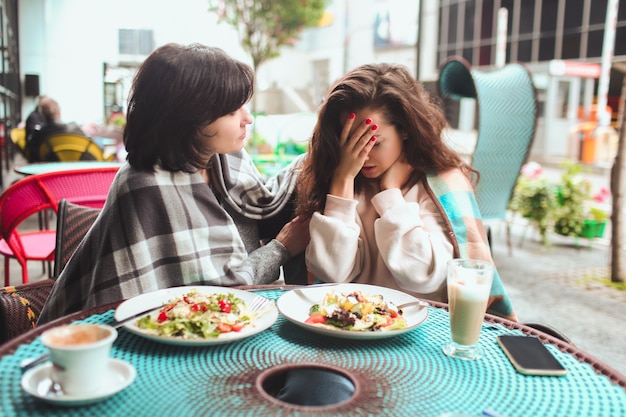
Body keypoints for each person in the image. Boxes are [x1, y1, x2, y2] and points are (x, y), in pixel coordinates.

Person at [38, 43, 309, 324]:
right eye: (231, 111)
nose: (247, 118)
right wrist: (280, 248)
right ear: (190, 117)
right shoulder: (145, 185)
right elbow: (217, 296)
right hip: (114, 337)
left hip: (212, 328)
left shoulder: (224, 163)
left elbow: (268, 203)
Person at [295, 63, 517, 320]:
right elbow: (332, 273)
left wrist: (391, 195)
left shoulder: (440, 187)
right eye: (351, 143)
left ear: (405, 131)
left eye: (374, 143)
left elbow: (422, 276)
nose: (362, 156)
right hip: (346, 334)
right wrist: (342, 180)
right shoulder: (343, 182)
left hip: (422, 339)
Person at [26, 96, 86, 162]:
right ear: (59, 113)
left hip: (49, 168)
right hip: (74, 167)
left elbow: (33, 156)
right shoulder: (74, 129)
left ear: (42, 115)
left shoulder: (38, 135)